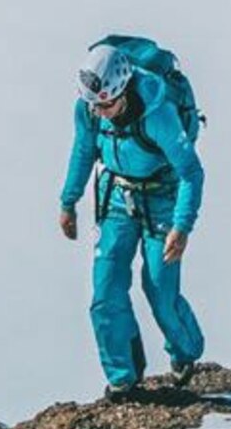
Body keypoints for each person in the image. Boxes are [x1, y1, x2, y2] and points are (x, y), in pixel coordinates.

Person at [57, 41, 206, 395]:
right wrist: (68, 201)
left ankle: (186, 352)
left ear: (123, 89)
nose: (100, 112)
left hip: (162, 198)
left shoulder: (158, 113)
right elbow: (83, 151)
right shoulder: (89, 108)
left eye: (106, 104)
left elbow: (191, 172)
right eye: (94, 105)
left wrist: (181, 227)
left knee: (159, 288)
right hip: (116, 197)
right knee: (105, 291)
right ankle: (123, 379)